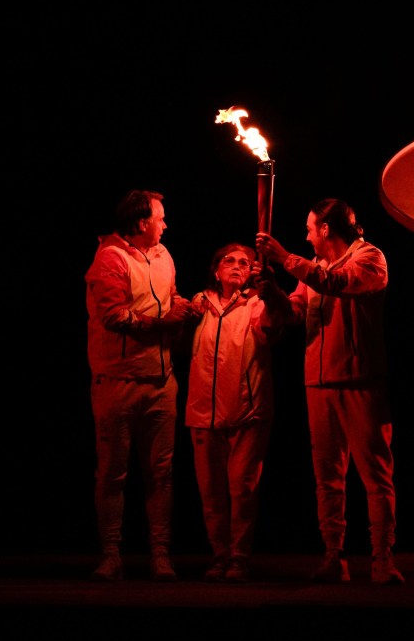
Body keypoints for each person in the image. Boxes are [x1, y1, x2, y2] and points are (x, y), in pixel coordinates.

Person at [256, 198, 404, 584]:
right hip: (318, 382)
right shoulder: (316, 268)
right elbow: (294, 312)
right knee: (327, 476)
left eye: (309, 229)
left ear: (325, 230)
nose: (306, 237)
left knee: (375, 474)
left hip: (360, 381)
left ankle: (382, 559)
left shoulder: (370, 259)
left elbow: (339, 285)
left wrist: (285, 258)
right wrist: (272, 292)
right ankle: (333, 555)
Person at [84, 189, 200, 582]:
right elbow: (114, 316)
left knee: (161, 473)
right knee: (113, 473)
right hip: (117, 382)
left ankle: (160, 554)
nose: (165, 224)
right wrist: (162, 323)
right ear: (140, 223)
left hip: (161, 381)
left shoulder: (164, 256)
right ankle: (111, 554)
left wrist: (182, 306)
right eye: (160, 218)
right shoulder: (109, 259)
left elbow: (167, 299)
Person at [184, 242, 290, 583]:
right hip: (204, 411)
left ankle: (239, 558)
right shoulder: (199, 306)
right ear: (216, 270)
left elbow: (275, 327)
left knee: (242, 489)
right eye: (228, 260)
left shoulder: (257, 305)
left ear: (250, 272)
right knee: (211, 491)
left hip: (247, 410)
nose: (236, 265)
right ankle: (219, 555)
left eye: (244, 262)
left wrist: (271, 293)